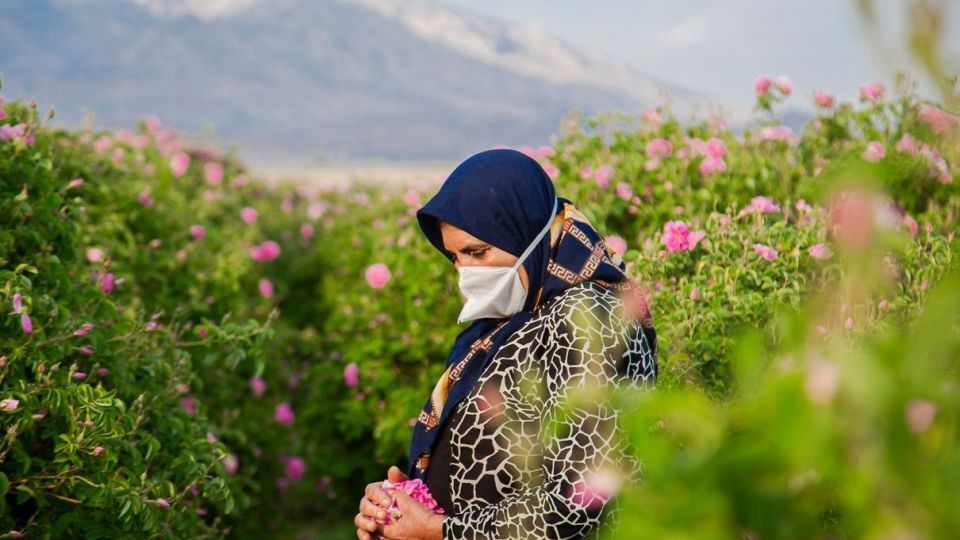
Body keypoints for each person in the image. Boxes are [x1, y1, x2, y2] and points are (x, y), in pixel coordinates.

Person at [355, 149, 658, 540]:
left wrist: (438, 530)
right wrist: (401, 504)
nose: (465, 273)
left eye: (477, 252)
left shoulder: (591, 316)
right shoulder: (512, 317)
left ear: (525, 232)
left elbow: (584, 498)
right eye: (454, 257)